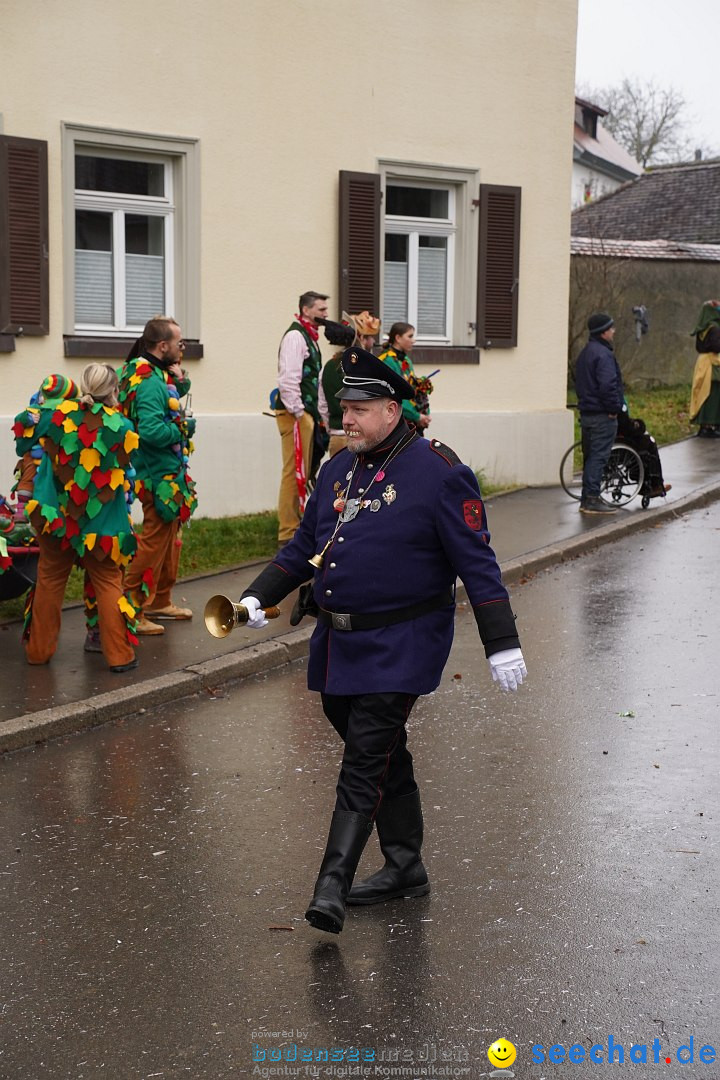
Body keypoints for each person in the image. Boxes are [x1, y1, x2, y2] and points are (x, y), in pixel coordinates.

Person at [239, 347, 527, 935]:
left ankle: (330, 888)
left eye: (360, 409)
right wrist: (256, 596)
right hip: (340, 644)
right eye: (343, 408)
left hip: (405, 642)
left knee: (364, 759)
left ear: (393, 410)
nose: (347, 420)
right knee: (382, 751)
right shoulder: (341, 467)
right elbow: (303, 549)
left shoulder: (440, 471)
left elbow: (477, 562)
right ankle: (405, 865)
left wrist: (502, 641)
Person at [23, 364, 139, 673]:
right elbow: (128, 467)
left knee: (49, 580)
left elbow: (25, 436)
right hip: (100, 525)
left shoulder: (57, 418)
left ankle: (38, 652)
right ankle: (119, 656)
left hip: (56, 518)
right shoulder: (123, 427)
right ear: (113, 391)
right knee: (108, 581)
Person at [119, 316, 197, 635]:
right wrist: (182, 427)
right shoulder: (149, 380)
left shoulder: (152, 372)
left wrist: (181, 380)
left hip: (167, 470)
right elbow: (150, 430)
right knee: (154, 540)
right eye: (179, 343)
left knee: (170, 537)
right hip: (156, 474)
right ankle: (130, 608)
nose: (183, 347)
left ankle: (159, 600)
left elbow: (171, 396)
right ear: (162, 346)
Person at [275, 291, 331, 545]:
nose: (326, 314)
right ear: (306, 310)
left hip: (306, 413)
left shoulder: (309, 336)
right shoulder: (296, 336)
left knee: (304, 470)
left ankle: (298, 526)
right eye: (321, 309)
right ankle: (288, 532)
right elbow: (288, 379)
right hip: (295, 414)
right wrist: (300, 413)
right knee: (293, 470)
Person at [574, 312, 624, 514]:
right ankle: (592, 499)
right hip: (602, 415)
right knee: (599, 457)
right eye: (611, 328)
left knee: (589, 456)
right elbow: (607, 386)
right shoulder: (603, 355)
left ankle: (587, 497)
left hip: (587, 413)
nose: (614, 331)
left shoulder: (586, 352)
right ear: (603, 332)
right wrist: (614, 409)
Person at [321, 311, 381, 457]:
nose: (373, 342)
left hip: (337, 437)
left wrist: (332, 428)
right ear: (361, 338)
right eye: (370, 337)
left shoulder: (328, 366)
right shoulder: (368, 365)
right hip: (364, 439)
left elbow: (322, 405)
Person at [378, 322, 432, 434]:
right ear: (398, 338)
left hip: (411, 421)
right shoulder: (387, 360)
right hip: (396, 422)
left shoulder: (406, 360)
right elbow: (394, 395)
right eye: (410, 336)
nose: (414, 340)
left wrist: (424, 412)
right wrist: (417, 416)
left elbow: (411, 390)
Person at [690, 300, 720, 438]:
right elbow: (716, 347)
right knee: (711, 395)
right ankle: (709, 425)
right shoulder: (714, 328)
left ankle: (704, 425)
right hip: (712, 366)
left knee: (702, 394)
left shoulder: (702, 329)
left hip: (702, 363)